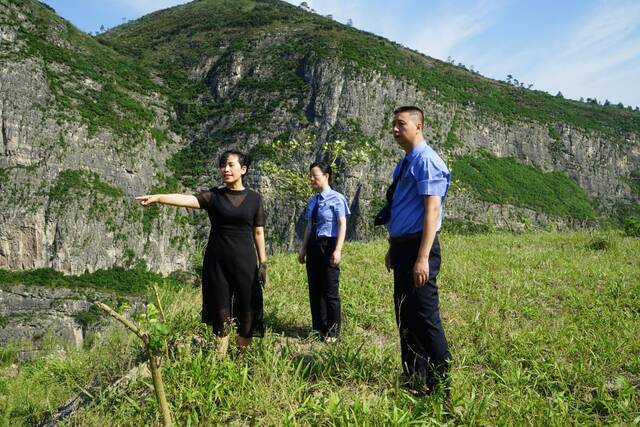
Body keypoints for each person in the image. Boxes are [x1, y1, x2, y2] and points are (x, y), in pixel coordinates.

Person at [135, 149, 267, 354]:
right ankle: (220, 362)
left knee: (247, 309)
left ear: (243, 169)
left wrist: (263, 263)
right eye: (223, 165)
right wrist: (158, 197)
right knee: (220, 311)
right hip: (217, 264)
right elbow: (186, 199)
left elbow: (258, 232)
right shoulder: (214, 196)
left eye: (231, 165)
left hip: (246, 263)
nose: (226, 169)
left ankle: (243, 360)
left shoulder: (254, 199)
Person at [383, 106, 452, 395]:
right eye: (393, 125)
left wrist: (422, 257)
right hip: (402, 247)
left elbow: (431, 212)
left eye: (400, 124)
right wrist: (392, 246)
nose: (395, 130)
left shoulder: (427, 161)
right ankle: (414, 377)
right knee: (405, 313)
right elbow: (403, 207)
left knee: (425, 316)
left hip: (418, 247)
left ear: (418, 126)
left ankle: (440, 387)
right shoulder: (405, 162)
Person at [298, 162, 350, 342]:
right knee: (315, 288)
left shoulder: (337, 198)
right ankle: (318, 327)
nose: (312, 179)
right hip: (314, 245)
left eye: (315, 175)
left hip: (329, 244)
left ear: (326, 176)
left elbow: (342, 224)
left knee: (330, 289)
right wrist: (303, 248)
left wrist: (338, 249)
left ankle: (333, 331)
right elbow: (309, 227)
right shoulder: (313, 200)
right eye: (311, 176)